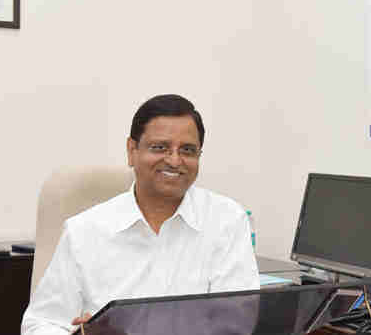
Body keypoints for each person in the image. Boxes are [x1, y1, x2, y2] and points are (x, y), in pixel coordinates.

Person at [21, 94, 260, 335]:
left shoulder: (227, 221)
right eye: (160, 148)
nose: (175, 161)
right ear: (131, 150)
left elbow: (237, 325)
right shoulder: (84, 231)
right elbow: (41, 324)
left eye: (187, 150)